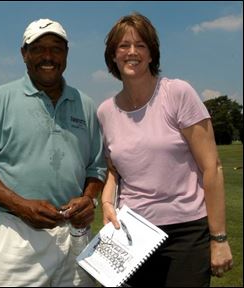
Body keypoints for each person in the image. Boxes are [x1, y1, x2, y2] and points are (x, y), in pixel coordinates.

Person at [0, 18, 106, 287]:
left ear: (66, 54)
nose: (48, 56)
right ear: (24, 54)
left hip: (76, 235)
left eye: (56, 48)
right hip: (17, 234)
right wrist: (21, 205)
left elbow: (96, 168)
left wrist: (89, 199)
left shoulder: (85, 105)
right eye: (38, 48)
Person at [97, 12, 233, 287]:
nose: (131, 52)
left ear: (151, 54)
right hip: (132, 234)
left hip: (187, 233)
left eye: (140, 45)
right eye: (123, 46)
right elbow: (114, 170)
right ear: (113, 55)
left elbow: (212, 168)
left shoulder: (178, 93)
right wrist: (107, 203)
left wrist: (218, 238)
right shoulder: (105, 112)